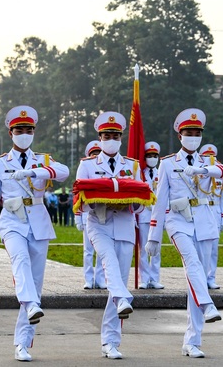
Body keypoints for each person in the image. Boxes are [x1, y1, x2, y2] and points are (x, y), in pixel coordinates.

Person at [0, 105, 69, 362]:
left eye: (28, 130)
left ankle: (22, 344)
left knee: (35, 284)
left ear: (33, 132)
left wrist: (35, 172)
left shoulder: (44, 160)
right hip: (12, 221)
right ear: (11, 133)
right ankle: (32, 304)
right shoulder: (0, 163)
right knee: (20, 261)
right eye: (19, 130)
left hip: (38, 221)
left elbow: (65, 172)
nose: (24, 133)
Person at [146, 108, 223, 359]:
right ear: (180, 136)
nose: (193, 137)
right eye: (189, 133)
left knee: (195, 279)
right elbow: (160, 199)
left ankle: (192, 341)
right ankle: (208, 304)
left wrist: (203, 171)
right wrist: (154, 236)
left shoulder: (207, 162)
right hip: (178, 222)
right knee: (193, 263)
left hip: (205, 223)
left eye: (197, 133)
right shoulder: (167, 163)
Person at [76, 111, 145, 359]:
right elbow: (81, 201)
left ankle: (111, 341)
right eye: (107, 135)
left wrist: (128, 201)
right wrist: (101, 199)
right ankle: (123, 297)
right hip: (99, 224)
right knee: (108, 263)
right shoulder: (86, 165)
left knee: (118, 280)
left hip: (125, 224)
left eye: (116, 135)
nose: (111, 139)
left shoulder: (132, 166)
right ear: (100, 137)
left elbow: (142, 200)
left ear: (121, 137)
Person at [74, 140, 106, 289]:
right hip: (88, 214)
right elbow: (78, 194)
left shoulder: (105, 169)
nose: (96, 156)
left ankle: (100, 278)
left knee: (101, 251)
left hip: (104, 214)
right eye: (93, 154)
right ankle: (88, 279)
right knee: (88, 251)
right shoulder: (86, 168)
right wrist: (77, 216)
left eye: (98, 153)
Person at [136, 141, 164, 289]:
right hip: (144, 215)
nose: (152, 158)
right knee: (143, 249)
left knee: (156, 249)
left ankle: (154, 278)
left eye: (155, 155)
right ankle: (144, 279)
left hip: (158, 216)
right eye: (149, 156)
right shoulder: (140, 173)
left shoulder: (162, 172)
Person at [200, 143, 223, 290]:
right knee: (201, 248)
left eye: (213, 156)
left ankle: (211, 277)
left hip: (215, 211)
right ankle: (201, 278)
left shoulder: (220, 172)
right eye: (207, 156)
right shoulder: (199, 171)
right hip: (202, 209)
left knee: (213, 249)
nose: (210, 159)